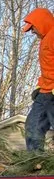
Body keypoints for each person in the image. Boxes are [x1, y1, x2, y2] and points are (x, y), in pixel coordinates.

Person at [23, 8, 54, 151]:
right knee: (33, 125)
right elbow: (48, 67)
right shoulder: (45, 40)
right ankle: (35, 160)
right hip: (45, 92)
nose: (32, 32)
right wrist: (40, 86)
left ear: (41, 23)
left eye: (33, 28)